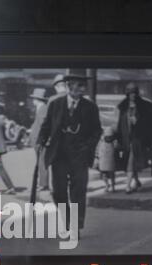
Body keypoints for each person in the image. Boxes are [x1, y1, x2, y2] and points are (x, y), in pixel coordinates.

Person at [37, 70, 102, 237]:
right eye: (80, 85)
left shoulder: (90, 107)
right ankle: (67, 220)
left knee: (78, 192)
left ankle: (75, 226)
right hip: (59, 155)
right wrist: (41, 140)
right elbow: (46, 126)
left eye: (84, 86)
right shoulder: (55, 104)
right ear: (69, 86)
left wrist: (88, 147)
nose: (83, 89)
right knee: (57, 191)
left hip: (80, 156)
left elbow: (97, 131)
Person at [117, 82, 152, 194]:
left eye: (134, 93)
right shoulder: (123, 106)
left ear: (137, 93)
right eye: (130, 93)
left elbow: (149, 124)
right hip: (126, 139)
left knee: (131, 160)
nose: (132, 95)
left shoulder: (144, 106)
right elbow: (120, 124)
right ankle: (137, 181)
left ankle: (128, 186)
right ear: (127, 94)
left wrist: (137, 122)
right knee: (131, 161)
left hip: (138, 138)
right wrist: (118, 138)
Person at [29, 88, 49, 191]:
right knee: (40, 161)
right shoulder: (41, 108)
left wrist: (40, 139)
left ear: (37, 99)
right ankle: (42, 183)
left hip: (39, 140)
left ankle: (43, 184)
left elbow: (42, 125)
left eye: (33, 98)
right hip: (38, 139)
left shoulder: (42, 108)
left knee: (42, 161)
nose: (32, 101)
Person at [98, 126, 116, 192]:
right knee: (109, 173)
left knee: (106, 173)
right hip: (106, 158)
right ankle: (110, 186)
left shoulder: (102, 140)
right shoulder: (112, 141)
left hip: (105, 158)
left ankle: (108, 185)